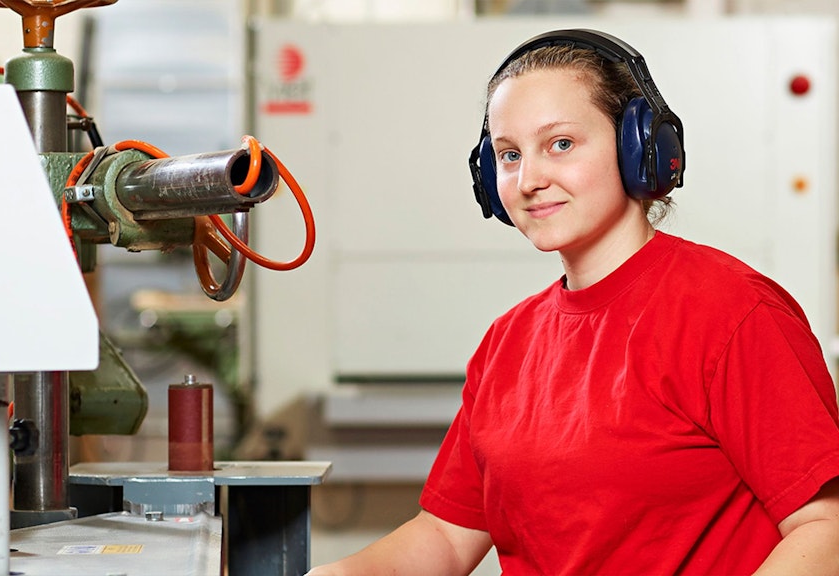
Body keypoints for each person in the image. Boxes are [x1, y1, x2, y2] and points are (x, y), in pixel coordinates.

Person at [307, 29, 839, 575]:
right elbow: (445, 538)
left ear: (639, 148)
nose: (529, 179)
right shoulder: (507, 343)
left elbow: (826, 530)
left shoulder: (734, 313)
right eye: (508, 155)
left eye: (560, 143)